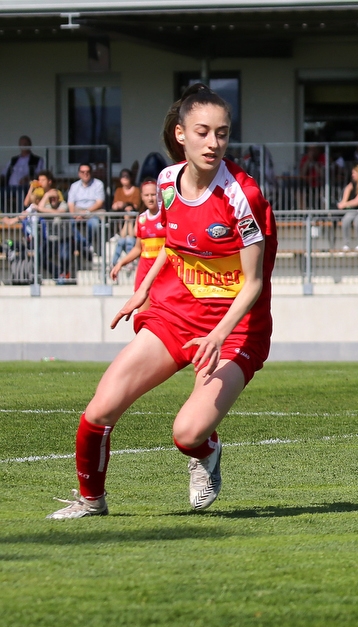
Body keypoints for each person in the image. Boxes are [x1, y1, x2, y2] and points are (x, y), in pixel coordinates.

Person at [46, 83, 277, 519]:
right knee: (98, 412)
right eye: (203, 132)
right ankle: (91, 502)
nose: (214, 143)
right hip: (176, 314)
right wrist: (144, 289)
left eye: (222, 134)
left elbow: (252, 284)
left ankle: (205, 453)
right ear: (180, 134)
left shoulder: (241, 196)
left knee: (186, 433)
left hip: (235, 327)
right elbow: (173, 245)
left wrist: (218, 334)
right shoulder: (168, 183)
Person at [110, 179, 164, 291]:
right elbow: (138, 248)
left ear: (159, 194)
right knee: (143, 308)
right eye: (147, 195)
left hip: (163, 270)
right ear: (142, 197)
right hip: (145, 269)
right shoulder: (141, 219)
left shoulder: (167, 216)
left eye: (153, 194)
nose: (150, 198)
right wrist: (120, 264)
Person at [66, 162, 107, 266]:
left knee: (93, 224)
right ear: (79, 173)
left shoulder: (98, 184)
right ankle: (84, 245)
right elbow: (70, 203)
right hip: (77, 210)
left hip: (93, 211)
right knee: (69, 223)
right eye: (83, 172)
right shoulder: (74, 186)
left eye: (88, 172)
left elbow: (99, 202)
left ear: (91, 173)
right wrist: (74, 214)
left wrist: (86, 213)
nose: (85, 174)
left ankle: (86, 245)